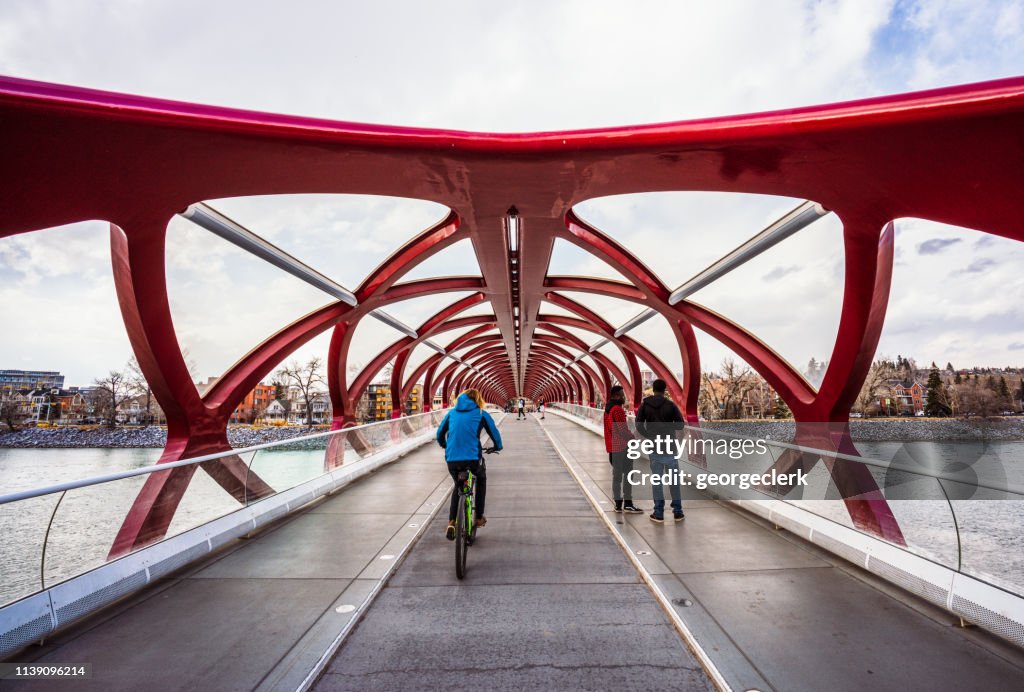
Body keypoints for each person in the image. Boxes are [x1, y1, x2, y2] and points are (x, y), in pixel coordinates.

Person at [436, 389, 503, 539]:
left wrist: (445, 445)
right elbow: (494, 432)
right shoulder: (480, 413)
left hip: (452, 459)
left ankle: (452, 522)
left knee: (458, 487)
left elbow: (439, 433)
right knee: (481, 479)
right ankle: (479, 517)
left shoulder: (452, 413)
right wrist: (497, 446)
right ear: (478, 400)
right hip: (472, 459)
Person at [636, 379, 685, 523]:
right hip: (670, 447)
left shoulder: (645, 405)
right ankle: (678, 512)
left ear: (653, 389)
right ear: (665, 390)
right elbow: (681, 425)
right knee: (674, 481)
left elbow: (638, 424)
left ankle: (658, 513)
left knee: (657, 481)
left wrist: (648, 435)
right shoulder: (670, 405)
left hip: (654, 447)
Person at [603, 385, 642, 513]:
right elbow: (622, 430)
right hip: (622, 448)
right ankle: (628, 504)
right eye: (621, 395)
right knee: (628, 475)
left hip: (612, 448)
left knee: (616, 476)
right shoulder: (617, 410)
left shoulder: (607, 409)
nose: (623, 397)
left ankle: (618, 504)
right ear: (616, 396)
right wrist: (633, 438)